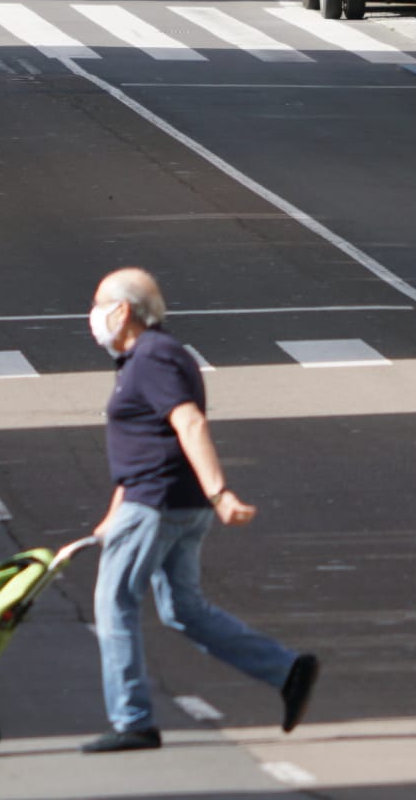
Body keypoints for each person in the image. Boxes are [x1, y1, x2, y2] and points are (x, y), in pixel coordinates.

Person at [81, 268, 319, 754]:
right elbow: (149, 441)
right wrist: (113, 512)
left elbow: (188, 424)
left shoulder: (151, 358)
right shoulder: (152, 356)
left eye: (100, 303)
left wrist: (221, 493)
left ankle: (133, 721)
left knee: (114, 604)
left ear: (123, 310)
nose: (95, 314)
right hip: (168, 503)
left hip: (159, 504)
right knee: (182, 609)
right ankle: (286, 670)